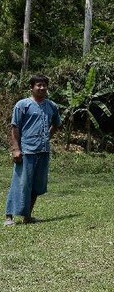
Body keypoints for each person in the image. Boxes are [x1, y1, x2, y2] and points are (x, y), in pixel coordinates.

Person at [4, 75, 61, 226]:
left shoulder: (51, 106)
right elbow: (15, 127)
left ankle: (27, 216)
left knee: (37, 185)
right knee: (20, 183)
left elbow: (56, 123)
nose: (42, 88)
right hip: (26, 151)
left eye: (44, 85)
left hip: (43, 151)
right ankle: (9, 217)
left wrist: (47, 136)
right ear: (32, 87)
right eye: (38, 85)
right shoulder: (22, 105)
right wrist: (16, 149)